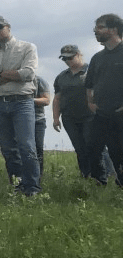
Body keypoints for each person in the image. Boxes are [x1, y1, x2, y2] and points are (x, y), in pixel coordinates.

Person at [0, 15, 40, 195]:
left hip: (22, 101)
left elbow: (28, 74)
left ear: (8, 26)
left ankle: (32, 188)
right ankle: (17, 185)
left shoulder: (27, 47)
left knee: (27, 146)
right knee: (8, 148)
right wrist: (11, 75)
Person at [53, 44, 112, 182]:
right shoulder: (61, 77)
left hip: (91, 117)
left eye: (70, 57)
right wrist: (56, 118)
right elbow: (57, 98)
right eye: (64, 59)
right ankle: (86, 176)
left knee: (95, 147)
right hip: (69, 118)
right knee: (80, 149)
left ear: (79, 54)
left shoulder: (91, 71)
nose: (68, 61)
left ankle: (104, 177)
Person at [86, 13, 123, 186]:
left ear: (114, 29)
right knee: (92, 146)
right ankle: (99, 181)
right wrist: (90, 103)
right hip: (101, 112)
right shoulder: (97, 58)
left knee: (118, 151)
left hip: (120, 112)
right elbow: (89, 84)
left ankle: (121, 182)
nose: (96, 30)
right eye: (96, 27)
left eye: (100, 27)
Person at [33, 75, 52, 176]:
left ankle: (38, 176)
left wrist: (29, 101)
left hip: (37, 120)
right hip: (19, 120)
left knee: (38, 148)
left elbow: (47, 100)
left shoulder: (39, 81)